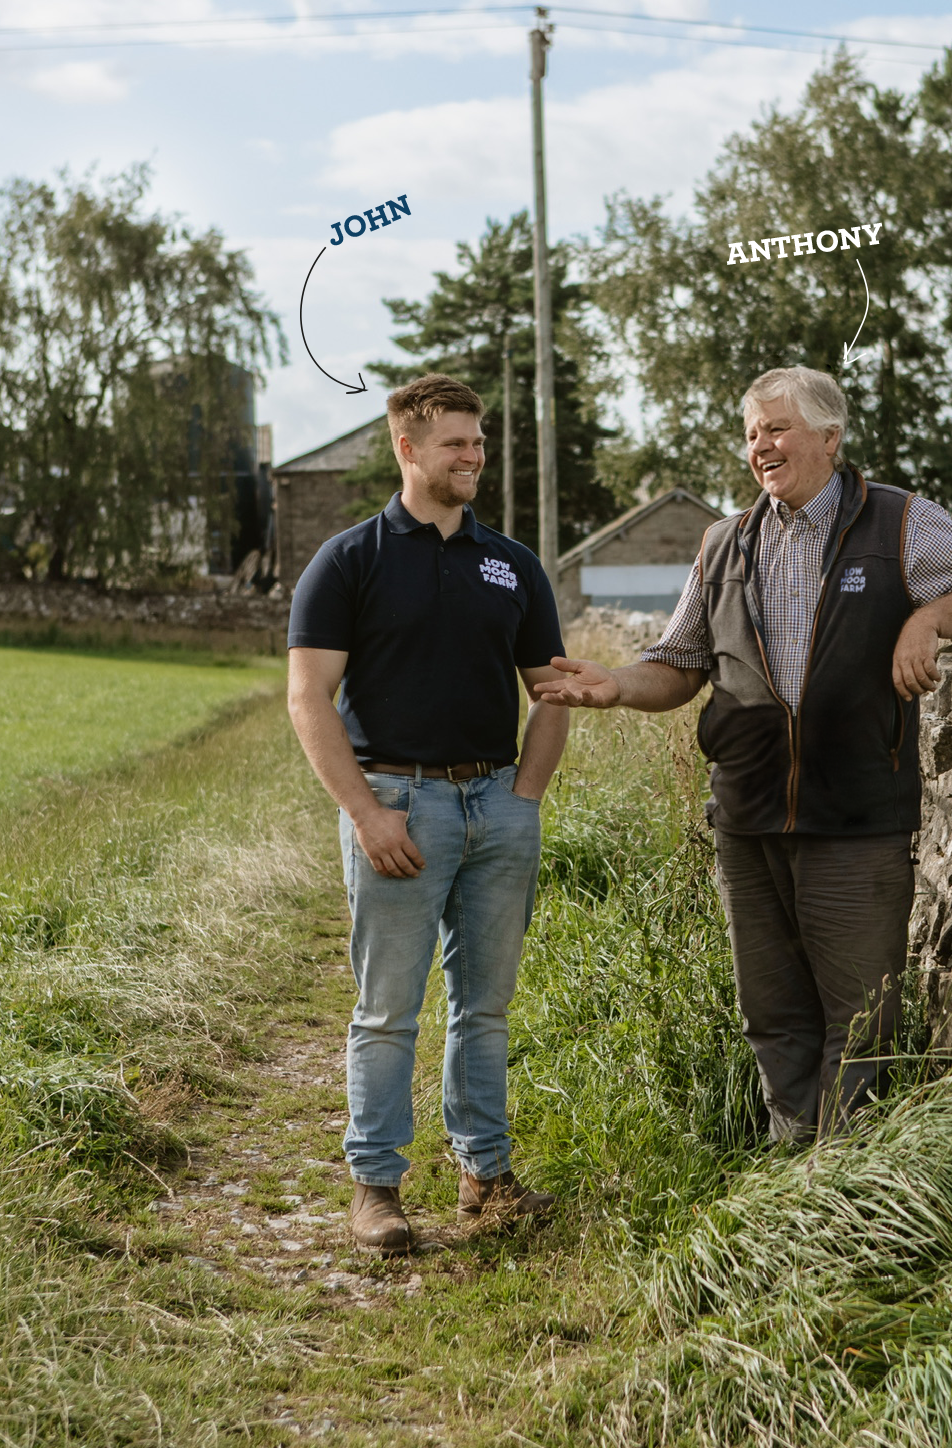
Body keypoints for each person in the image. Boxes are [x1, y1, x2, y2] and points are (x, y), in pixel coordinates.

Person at [533, 366, 952, 1142]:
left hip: (856, 820)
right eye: (752, 434)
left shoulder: (897, 521)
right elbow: (681, 661)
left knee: (860, 1025)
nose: (761, 446)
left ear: (830, 438)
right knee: (773, 1017)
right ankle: (790, 1177)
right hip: (747, 817)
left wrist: (925, 621)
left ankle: (849, 1190)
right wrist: (616, 686)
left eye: (777, 428)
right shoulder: (724, 542)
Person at [286, 373, 567, 1252]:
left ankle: (485, 1175)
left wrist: (525, 798)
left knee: (484, 1007)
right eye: (455, 442)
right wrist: (368, 814)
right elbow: (307, 697)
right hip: (398, 804)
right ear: (408, 449)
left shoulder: (512, 563)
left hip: (496, 805)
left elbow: (552, 688)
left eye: (478, 441)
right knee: (387, 1008)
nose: (473, 454)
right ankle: (377, 1186)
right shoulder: (350, 559)